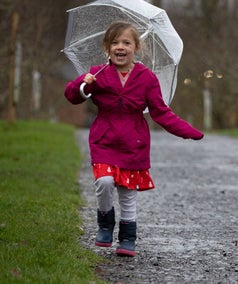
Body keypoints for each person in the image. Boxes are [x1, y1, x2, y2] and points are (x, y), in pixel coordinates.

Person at [64, 22, 204, 257]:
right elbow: (71, 96)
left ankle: (128, 237)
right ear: (107, 47)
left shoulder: (147, 78)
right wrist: (82, 85)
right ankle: (105, 223)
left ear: (136, 47)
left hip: (133, 143)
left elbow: (161, 112)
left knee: (128, 193)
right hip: (104, 139)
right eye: (115, 43)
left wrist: (188, 131)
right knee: (105, 182)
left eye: (126, 43)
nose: (120, 47)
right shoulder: (97, 73)